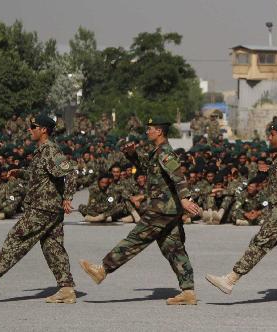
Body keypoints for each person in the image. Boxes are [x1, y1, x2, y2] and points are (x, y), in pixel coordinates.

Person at [79, 117, 201, 305]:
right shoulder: (157, 152)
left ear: (159, 131)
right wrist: (133, 155)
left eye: (150, 129)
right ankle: (188, 291)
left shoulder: (166, 153)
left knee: (136, 239)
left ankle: (102, 269)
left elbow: (178, 176)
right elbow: (146, 168)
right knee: (173, 248)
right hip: (167, 209)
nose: (147, 132)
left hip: (162, 209)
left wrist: (184, 198)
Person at [205, 121, 277, 307]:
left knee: (259, 244)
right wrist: (271, 171)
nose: (269, 138)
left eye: (272, 135)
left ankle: (230, 280)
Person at [0, 114, 79, 303]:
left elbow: (71, 171)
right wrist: (21, 173)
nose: (30, 129)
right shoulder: (41, 151)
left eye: (33, 126)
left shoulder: (50, 150)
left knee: (17, 237)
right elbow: (42, 176)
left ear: (43, 129)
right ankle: (66, 289)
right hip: (48, 207)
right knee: (53, 248)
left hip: (43, 207)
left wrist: (67, 197)